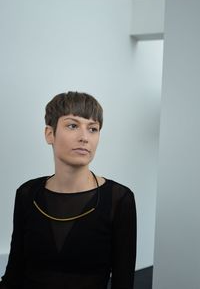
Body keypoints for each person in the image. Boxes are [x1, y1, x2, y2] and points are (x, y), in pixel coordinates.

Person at [0, 91, 137, 289]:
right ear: (49, 134)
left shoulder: (119, 199)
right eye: (72, 125)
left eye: (93, 129)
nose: (84, 137)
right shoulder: (27, 193)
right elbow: (14, 272)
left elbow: (123, 282)